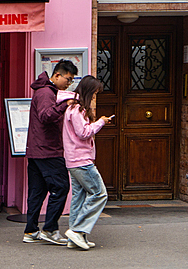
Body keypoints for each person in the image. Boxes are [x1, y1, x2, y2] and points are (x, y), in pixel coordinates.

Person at [23, 59, 78, 245]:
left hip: (37, 150)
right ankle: (50, 229)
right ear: (57, 75)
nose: (69, 83)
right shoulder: (47, 93)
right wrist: (65, 104)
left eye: (71, 81)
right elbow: (47, 116)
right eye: (68, 79)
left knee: (37, 192)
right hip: (48, 150)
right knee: (61, 187)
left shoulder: (44, 91)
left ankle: (31, 231)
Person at [62, 75, 112, 250]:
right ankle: (77, 230)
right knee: (99, 193)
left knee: (79, 197)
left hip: (74, 159)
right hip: (81, 160)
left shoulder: (74, 108)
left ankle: (76, 237)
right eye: (95, 93)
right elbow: (83, 133)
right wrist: (101, 122)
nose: (95, 97)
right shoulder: (76, 110)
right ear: (89, 92)